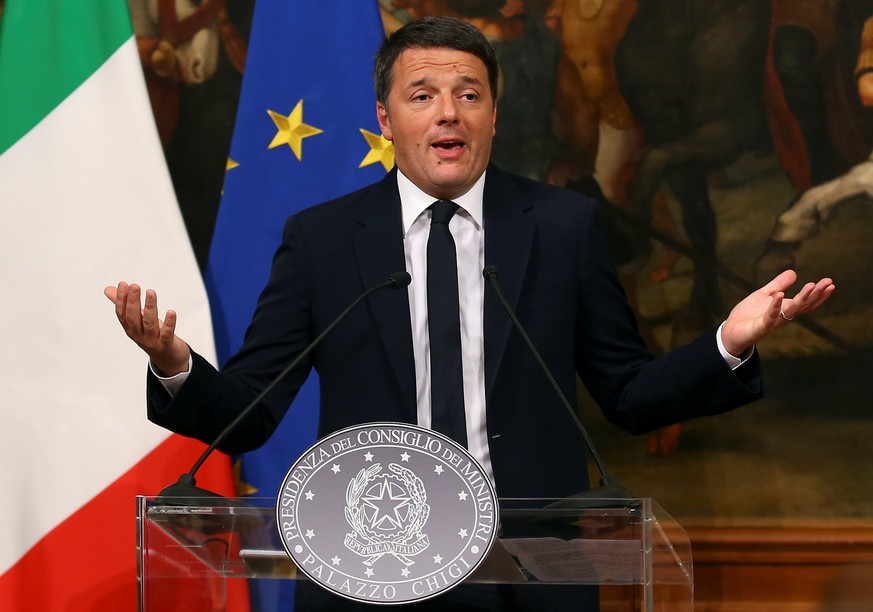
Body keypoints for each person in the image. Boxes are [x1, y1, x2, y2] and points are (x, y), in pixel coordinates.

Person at [106, 16, 835, 610]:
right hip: (370, 569)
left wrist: (726, 342)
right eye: (422, 95)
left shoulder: (562, 227)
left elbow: (630, 395)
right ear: (385, 118)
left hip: (531, 571)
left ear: (492, 115)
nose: (447, 112)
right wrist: (173, 365)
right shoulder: (322, 240)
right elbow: (250, 412)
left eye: (468, 94)